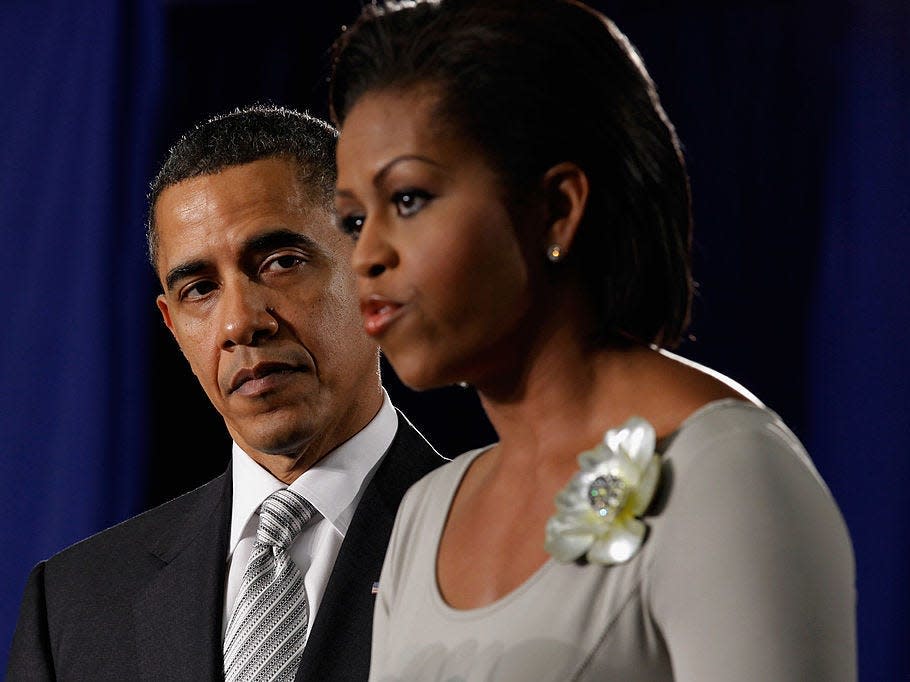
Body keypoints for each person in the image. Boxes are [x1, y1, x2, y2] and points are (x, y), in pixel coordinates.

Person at [329, 1, 856, 680]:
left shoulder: (723, 474)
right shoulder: (427, 511)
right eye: (350, 218)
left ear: (556, 210)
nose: (365, 255)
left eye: (407, 199)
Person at [7, 105, 444, 681]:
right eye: (199, 289)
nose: (241, 322)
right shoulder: (72, 605)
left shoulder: (506, 545)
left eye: (282, 263)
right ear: (171, 324)